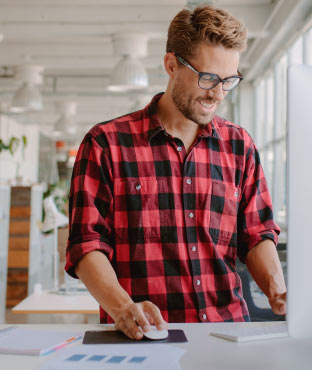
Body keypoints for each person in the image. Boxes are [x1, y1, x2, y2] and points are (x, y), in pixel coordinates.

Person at [65, 5, 286, 340]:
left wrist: (278, 291)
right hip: (144, 338)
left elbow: (256, 234)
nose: (218, 93)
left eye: (229, 80)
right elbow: (87, 244)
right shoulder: (106, 144)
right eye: (208, 77)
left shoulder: (240, 146)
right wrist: (124, 307)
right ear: (171, 65)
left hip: (227, 335)